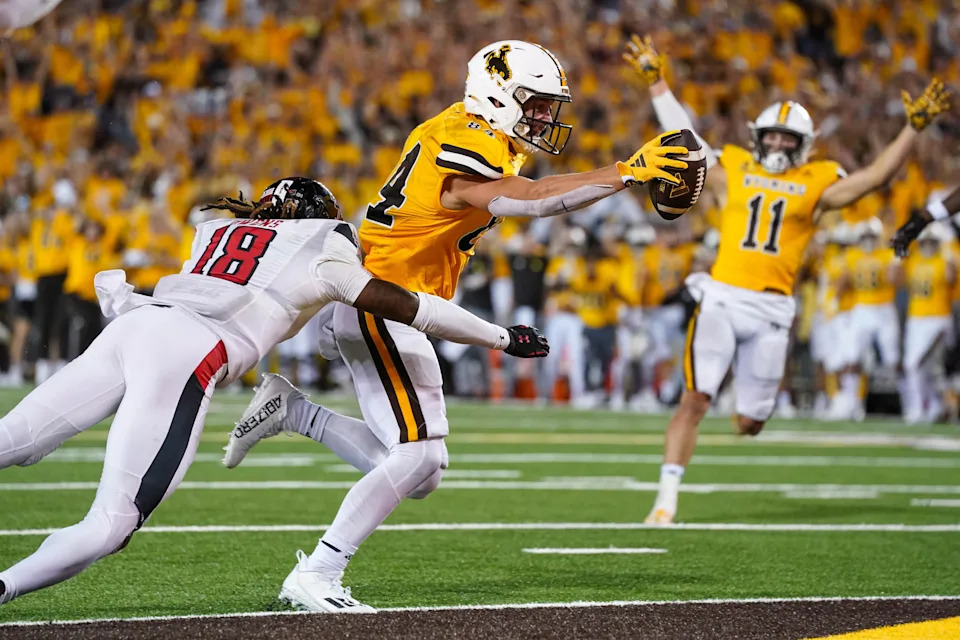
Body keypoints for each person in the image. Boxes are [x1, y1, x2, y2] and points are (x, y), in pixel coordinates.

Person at [222, 39, 690, 612]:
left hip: (390, 301)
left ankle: (295, 411)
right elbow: (532, 200)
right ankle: (317, 572)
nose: (545, 117)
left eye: (549, 106)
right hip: (384, 301)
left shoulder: (465, 130)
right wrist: (623, 172)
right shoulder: (467, 138)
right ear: (497, 93)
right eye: (535, 103)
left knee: (422, 471)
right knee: (419, 454)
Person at [0, 177, 549, 607]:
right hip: (187, 351)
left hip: (135, 325)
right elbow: (410, 306)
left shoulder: (215, 229)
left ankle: (293, 411)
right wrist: (499, 336)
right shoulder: (324, 242)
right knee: (111, 523)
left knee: (19, 438)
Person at [623, 34, 950, 524]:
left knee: (750, 422)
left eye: (787, 138)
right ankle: (665, 502)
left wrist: (911, 130)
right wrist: (657, 83)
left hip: (773, 308)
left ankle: (738, 400)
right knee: (694, 399)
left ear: (802, 145)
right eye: (772, 135)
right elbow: (685, 139)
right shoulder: (735, 165)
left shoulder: (816, 180)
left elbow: (875, 178)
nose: (777, 143)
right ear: (758, 136)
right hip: (723, 296)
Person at [901, 223, 956, 423]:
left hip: (938, 319)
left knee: (928, 366)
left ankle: (929, 406)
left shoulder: (945, 260)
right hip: (916, 319)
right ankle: (925, 406)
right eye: (925, 241)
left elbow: (951, 277)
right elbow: (899, 279)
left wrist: (948, 248)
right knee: (914, 366)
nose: (928, 245)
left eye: (933, 241)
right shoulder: (913, 261)